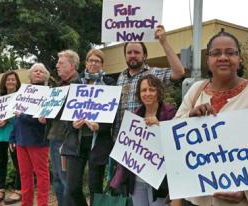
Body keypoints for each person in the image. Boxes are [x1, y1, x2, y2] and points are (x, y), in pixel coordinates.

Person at [172, 31, 248, 206]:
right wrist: (190, 116)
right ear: (208, 60)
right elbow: (174, 133)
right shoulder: (196, 90)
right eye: (216, 53)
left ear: (240, 59)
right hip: (197, 199)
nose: (223, 57)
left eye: (230, 52)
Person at [60, 48, 115, 206]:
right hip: (76, 142)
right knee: (72, 187)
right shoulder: (76, 84)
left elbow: (113, 113)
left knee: (95, 188)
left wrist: (101, 126)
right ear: (86, 62)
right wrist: (72, 124)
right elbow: (67, 112)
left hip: (97, 142)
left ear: (102, 64)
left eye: (97, 61)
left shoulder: (109, 83)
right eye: (91, 60)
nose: (93, 63)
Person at [114, 24, 186, 141]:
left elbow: (179, 72)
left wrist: (164, 42)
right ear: (125, 56)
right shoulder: (121, 77)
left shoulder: (154, 73)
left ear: (145, 56)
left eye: (137, 52)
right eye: (129, 52)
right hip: (121, 141)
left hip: (145, 142)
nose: (132, 55)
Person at [125, 74, 176, 206]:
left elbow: (176, 145)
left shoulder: (170, 113)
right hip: (137, 179)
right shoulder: (135, 115)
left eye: (152, 90)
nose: (147, 93)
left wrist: (160, 126)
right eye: (143, 90)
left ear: (158, 92)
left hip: (160, 181)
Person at [41, 50, 80, 206]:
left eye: (61, 63)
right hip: (54, 137)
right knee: (56, 179)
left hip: (67, 139)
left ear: (71, 66)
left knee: (66, 181)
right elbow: (53, 111)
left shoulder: (79, 84)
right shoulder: (57, 86)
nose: (56, 65)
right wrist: (44, 114)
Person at [9, 63, 50, 206]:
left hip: (38, 140)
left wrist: (23, 116)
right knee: (24, 175)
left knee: (41, 175)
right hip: (20, 139)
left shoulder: (48, 94)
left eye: (41, 71)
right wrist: (12, 137)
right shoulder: (22, 92)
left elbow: (42, 120)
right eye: (35, 71)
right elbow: (16, 117)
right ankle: (26, 203)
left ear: (45, 76)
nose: (38, 73)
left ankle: (42, 203)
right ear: (30, 75)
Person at [0, 71, 22, 205]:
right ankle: (1, 189)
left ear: (17, 82)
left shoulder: (22, 96)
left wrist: (6, 120)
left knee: (17, 162)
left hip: (14, 134)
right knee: (2, 162)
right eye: (8, 79)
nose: (10, 82)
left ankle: (18, 190)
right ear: (4, 82)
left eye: (13, 79)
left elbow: (23, 114)